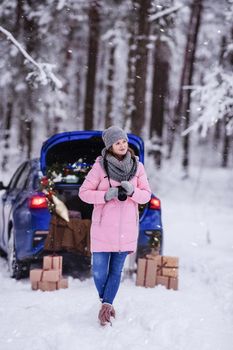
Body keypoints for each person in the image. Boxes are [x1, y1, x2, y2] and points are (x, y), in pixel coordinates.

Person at [79, 126, 151, 326]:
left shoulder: (138, 167)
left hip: (125, 229)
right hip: (103, 228)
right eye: (117, 142)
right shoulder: (100, 167)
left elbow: (146, 195)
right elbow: (83, 193)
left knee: (115, 272)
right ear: (110, 146)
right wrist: (104, 195)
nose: (122, 146)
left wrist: (132, 191)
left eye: (124, 142)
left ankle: (107, 305)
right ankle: (106, 302)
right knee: (99, 271)